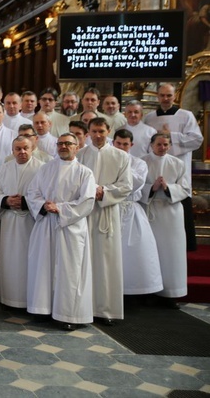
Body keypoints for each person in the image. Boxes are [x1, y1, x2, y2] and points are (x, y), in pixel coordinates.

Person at [26, 133, 96, 330]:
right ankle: (42, 309)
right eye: (60, 143)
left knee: (69, 271)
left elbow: (87, 201)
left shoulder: (85, 172)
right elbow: (32, 192)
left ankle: (67, 314)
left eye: (68, 143)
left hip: (70, 228)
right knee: (43, 268)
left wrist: (61, 209)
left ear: (77, 146)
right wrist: (43, 204)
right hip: (46, 224)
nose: (63, 146)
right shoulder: (45, 168)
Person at [77, 118, 132, 325]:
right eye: (94, 131)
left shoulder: (121, 156)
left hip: (107, 214)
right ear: (88, 132)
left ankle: (106, 310)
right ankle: (83, 308)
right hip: (83, 214)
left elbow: (127, 186)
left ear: (109, 131)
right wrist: (88, 192)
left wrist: (104, 191)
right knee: (83, 260)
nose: (98, 135)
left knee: (107, 262)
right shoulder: (80, 155)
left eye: (101, 131)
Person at [143, 83, 203, 251]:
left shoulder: (186, 115)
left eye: (169, 95)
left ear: (175, 96)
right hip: (154, 168)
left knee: (179, 201)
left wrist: (172, 137)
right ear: (157, 96)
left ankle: (184, 245)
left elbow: (197, 139)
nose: (165, 98)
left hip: (177, 168)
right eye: (162, 95)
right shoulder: (149, 118)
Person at [0, 136, 45, 309]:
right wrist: (6, 200)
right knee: (9, 260)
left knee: (29, 260)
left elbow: (45, 194)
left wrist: (25, 202)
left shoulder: (42, 169)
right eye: (18, 149)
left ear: (32, 149)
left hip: (31, 222)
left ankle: (29, 300)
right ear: (12, 150)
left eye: (25, 148)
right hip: (9, 222)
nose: (22, 152)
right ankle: (9, 299)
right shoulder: (5, 168)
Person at [112, 130, 163, 297]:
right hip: (110, 209)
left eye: (125, 144)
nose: (121, 147)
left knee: (134, 253)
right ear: (113, 143)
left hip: (130, 209)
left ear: (131, 145)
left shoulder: (139, 163)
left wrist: (118, 172)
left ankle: (134, 291)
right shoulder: (106, 160)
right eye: (118, 143)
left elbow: (133, 183)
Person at [141, 133, 190, 307]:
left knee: (171, 254)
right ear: (151, 144)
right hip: (150, 210)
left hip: (171, 213)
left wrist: (168, 188)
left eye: (166, 144)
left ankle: (171, 293)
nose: (163, 148)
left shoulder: (177, 163)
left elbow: (185, 188)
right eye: (159, 144)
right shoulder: (142, 162)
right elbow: (135, 187)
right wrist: (151, 188)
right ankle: (148, 291)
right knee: (150, 253)